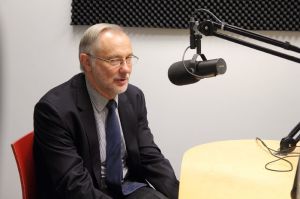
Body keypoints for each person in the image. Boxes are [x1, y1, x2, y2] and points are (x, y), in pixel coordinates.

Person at [33, 23, 179, 199]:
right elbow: (73, 185)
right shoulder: (54, 110)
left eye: (128, 58)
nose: (125, 69)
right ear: (87, 62)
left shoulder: (133, 97)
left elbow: (150, 157)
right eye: (114, 60)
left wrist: (182, 195)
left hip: (127, 187)